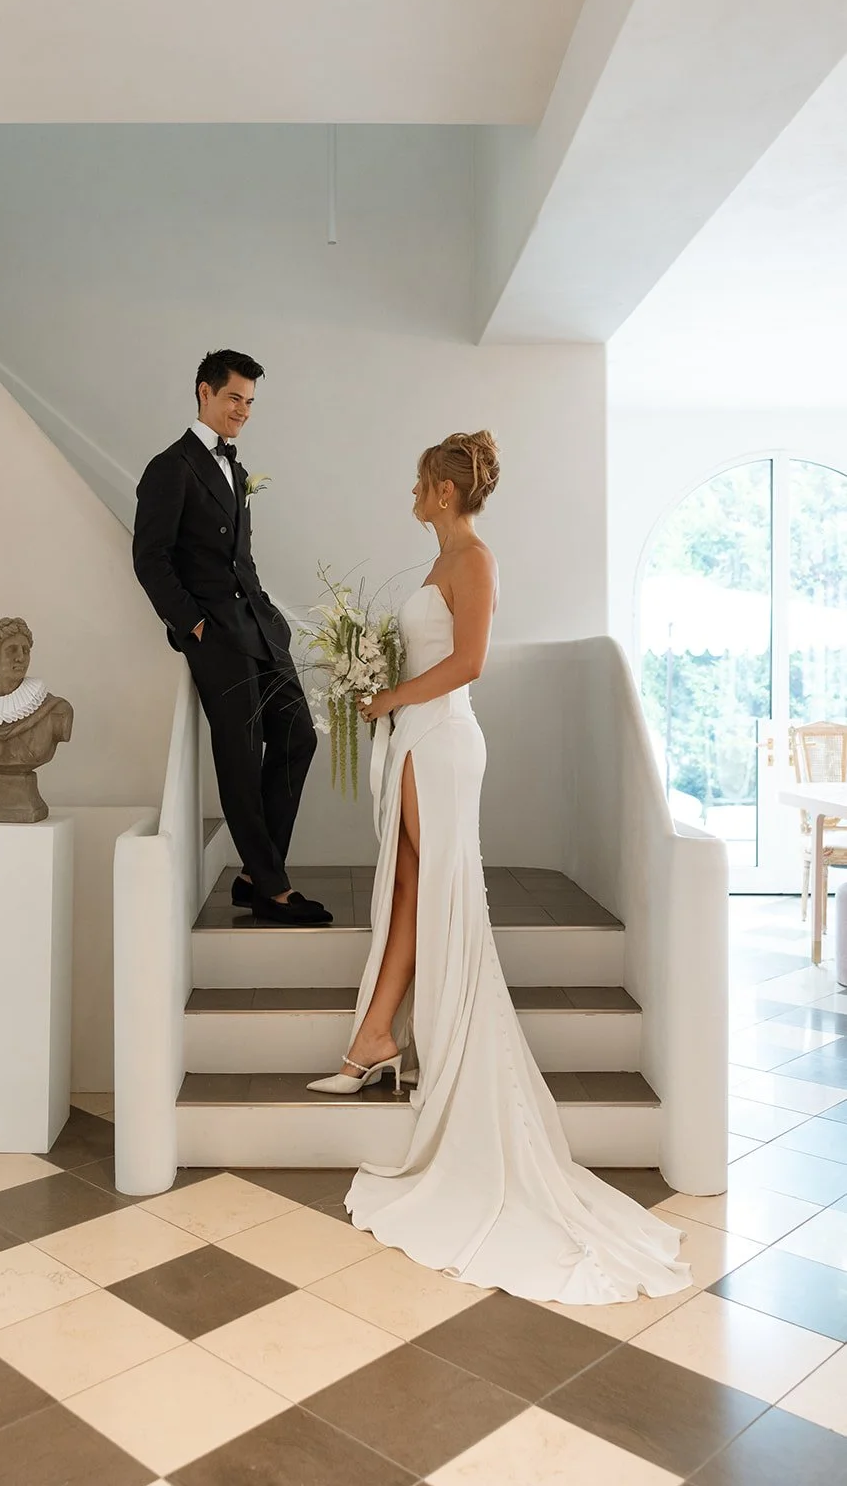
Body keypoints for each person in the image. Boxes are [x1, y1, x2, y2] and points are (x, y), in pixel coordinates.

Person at [308, 431, 691, 1304]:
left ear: (445, 490)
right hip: (419, 741)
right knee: (411, 884)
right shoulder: (442, 558)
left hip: (441, 743)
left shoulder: (474, 559)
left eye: (420, 481)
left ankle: (392, 1043)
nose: (412, 489)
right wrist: (382, 694)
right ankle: (374, 1038)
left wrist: (387, 696)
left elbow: (469, 663)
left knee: (438, 893)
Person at [133, 350, 330, 926]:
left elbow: (242, 559)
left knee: (298, 736)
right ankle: (272, 889)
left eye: (249, 401)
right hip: (215, 635)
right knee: (241, 760)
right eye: (233, 398)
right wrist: (193, 625)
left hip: (259, 628)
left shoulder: (235, 469)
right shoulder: (171, 467)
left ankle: (253, 874)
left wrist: (272, 617)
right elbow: (150, 559)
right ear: (204, 393)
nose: (242, 410)